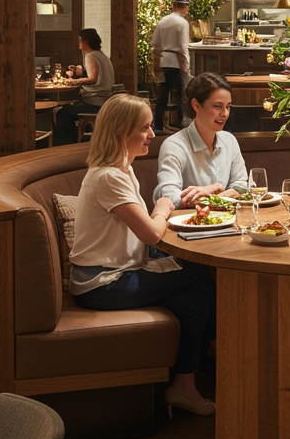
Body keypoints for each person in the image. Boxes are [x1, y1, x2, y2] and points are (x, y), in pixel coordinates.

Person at [68, 93, 217, 417]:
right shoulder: (109, 176)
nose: (152, 134)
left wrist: (165, 214)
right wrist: (164, 207)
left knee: (196, 301)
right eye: (146, 128)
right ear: (123, 132)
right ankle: (218, 357)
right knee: (198, 272)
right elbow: (151, 232)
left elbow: (146, 230)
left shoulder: (120, 169)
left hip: (116, 272)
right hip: (101, 284)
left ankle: (184, 386)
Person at [154, 72, 249, 208]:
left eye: (228, 106)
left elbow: (241, 186)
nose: (225, 114)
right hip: (189, 224)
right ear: (196, 105)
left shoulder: (229, 141)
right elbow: (170, 197)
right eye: (217, 106)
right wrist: (215, 189)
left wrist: (216, 191)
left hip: (229, 222)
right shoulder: (174, 145)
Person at [54, 28, 116, 145]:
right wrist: (78, 70)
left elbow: (92, 79)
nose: (79, 43)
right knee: (67, 110)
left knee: (62, 113)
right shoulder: (101, 55)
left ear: (86, 42)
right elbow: (94, 72)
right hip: (106, 101)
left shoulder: (90, 56)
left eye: (80, 41)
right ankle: (74, 141)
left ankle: (66, 145)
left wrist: (73, 82)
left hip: (96, 103)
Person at [152, 0, 192, 136]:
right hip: (176, 61)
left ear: (173, 6)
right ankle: (179, 123)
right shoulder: (182, 23)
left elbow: (155, 44)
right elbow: (183, 46)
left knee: (162, 96)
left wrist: (156, 62)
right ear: (185, 8)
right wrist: (185, 64)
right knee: (180, 94)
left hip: (164, 60)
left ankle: (157, 126)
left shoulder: (162, 22)